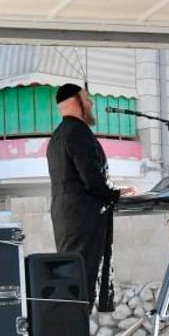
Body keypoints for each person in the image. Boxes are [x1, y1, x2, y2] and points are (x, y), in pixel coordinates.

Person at [47, 83, 130, 310]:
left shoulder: (57, 136)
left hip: (67, 217)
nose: (91, 103)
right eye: (87, 98)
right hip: (84, 219)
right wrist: (114, 193)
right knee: (82, 285)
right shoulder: (79, 132)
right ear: (76, 102)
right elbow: (92, 180)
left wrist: (112, 190)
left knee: (72, 283)